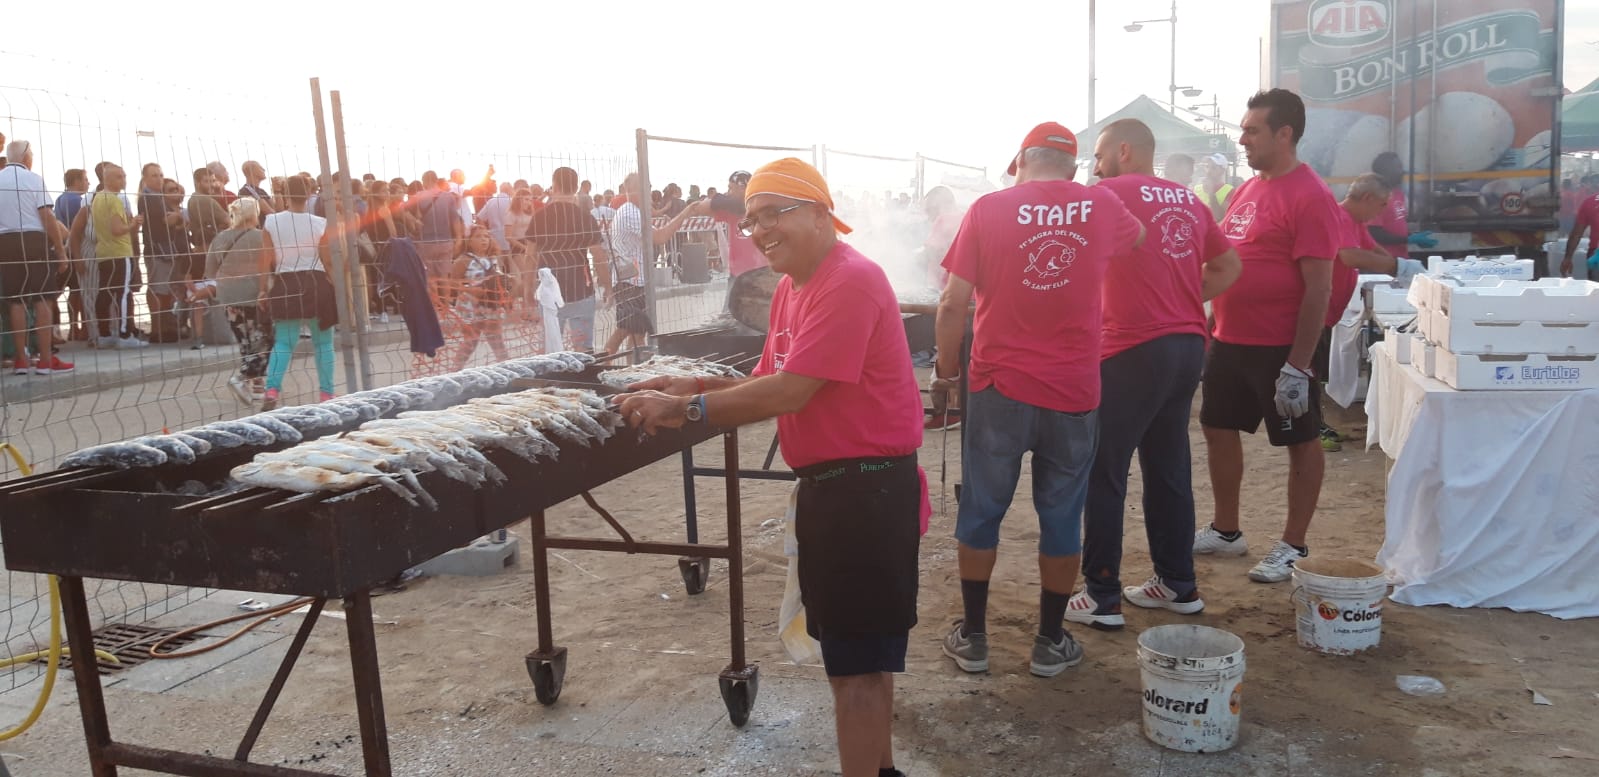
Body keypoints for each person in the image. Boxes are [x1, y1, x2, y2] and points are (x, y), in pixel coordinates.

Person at [615, 157, 923, 777]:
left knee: (858, 669)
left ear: (819, 212)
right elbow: (769, 377)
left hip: (865, 497)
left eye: (772, 215)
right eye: (751, 220)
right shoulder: (790, 286)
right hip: (835, 495)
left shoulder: (850, 280)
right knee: (857, 659)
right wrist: (694, 379)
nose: (758, 231)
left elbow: (793, 391)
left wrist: (687, 409)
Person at [934, 122, 1144, 677]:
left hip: (998, 387)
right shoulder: (1100, 205)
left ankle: (974, 637)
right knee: (1061, 515)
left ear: (1022, 162)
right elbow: (1138, 240)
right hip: (1074, 389)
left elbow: (953, 305)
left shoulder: (987, 209)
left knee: (982, 509)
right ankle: (1050, 642)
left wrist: (945, 372)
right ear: (1072, 167)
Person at [1060, 120, 1242, 629]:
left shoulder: (1105, 196)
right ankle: (1177, 583)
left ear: (1124, 151)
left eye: (1098, 155)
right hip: (1186, 347)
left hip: (1130, 349)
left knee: (1105, 470)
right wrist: (1183, 300)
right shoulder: (1187, 200)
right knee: (1168, 466)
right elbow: (1229, 268)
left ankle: (1101, 593)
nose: (1094, 166)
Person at [1195, 89, 1343, 583]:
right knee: (1217, 427)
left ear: (1284, 134)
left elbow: (1319, 287)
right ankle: (1227, 530)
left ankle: (1294, 544)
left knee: (1301, 440)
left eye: (1251, 130)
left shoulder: (1311, 196)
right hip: (1231, 338)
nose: (1242, 139)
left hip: (1281, 346)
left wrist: (1298, 365)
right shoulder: (1247, 189)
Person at [603, 173, 708, 355]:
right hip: (630, 283)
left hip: (633, 280)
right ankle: (607, 363)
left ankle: (633, 368)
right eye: (648, 187)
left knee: (636, 333)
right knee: (625, 330)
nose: (650, 192)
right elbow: (660, 237)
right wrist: (686, 212)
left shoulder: (631, 211)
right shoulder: (630, 212)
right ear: (636, 189)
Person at [258, 175, 339, 410]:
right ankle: (327, 393)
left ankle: (272, 390)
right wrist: (336, 287)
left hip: (286, 280)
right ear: (309, 194)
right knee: (323, 342)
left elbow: (265, 259)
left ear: (284, 194)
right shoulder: (319, 223)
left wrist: (263, 289)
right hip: (315, 279)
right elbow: (327, 260)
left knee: (284, 341)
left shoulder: (271, 222)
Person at [0, 140, 73, 374]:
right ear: (25, 157)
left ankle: (21, 359)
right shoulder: (33, 179)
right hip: (33, 240)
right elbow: (47, 216)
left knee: (16, 300)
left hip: (5, 242)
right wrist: (60, 251)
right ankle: (44, 359)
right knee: (43, 298)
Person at [526, 168, 611, 351]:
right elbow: (599, 257)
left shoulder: (540, 217)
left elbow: (530, 257)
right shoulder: (585, 218)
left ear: (554, 186)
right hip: (581, 289)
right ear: (575, 187)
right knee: (584, 349)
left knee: (550, 349)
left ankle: (554, 379)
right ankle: (584, 377)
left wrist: (527, 292)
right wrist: (608, 287)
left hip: (550, 291)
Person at [204, 197, 270, 404]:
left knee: (245, 341)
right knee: (264, 340)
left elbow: (210, 270)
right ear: (254, 214)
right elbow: (268, 266)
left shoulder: (220, 238)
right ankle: (243, 378)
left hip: (228, 295)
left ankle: (254, 386)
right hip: (253, 294)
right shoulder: (261, 237)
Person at [90, 163, 146, 347]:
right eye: (119, 177)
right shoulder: (114, 200)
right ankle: (125, 335)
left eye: (124, 176)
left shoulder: (98, 198)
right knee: (123, 293)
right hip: (120, 252)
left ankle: (104, 334)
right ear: (108, 179)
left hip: (104, 253)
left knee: (105, 293)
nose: (124, 180)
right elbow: (117, 229)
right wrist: (133, 224)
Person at [449, 225, 513, 368]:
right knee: (471, 341)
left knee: (497, 340)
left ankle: (507, 368)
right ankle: (455, 370)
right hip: (470, 306)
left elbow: (498, 280)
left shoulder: (494, 259)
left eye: (486, 236)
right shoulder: (463, 260)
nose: (483, 240)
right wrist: (470, 290)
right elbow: (453, 283)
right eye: (478, 237)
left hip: (491, 305)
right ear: (469, 241)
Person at [1365, 151, 1436, 260]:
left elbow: (1396, 227)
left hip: (1400, 260)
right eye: (1398, 167)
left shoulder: (1398, 194)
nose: (1402, 171)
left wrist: (1413, 236)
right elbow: (1374, 233)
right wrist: (1408, 240)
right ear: (1385, 171)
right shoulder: (1376, 196)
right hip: (1382, 262)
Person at [54, 168, 91, 342]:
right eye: (85, 179)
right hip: (77, 250)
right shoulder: (77, 200)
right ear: (76, 181)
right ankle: (82, 328)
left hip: (63, 249)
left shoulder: (60, 199)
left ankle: (72, 327)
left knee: (66, 290)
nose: (88, 183)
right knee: (79, 290)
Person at [706, 171, 763, 277]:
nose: (728, 193)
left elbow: (717, 202)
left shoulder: (758, 207)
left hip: (756, 273)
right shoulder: (735, 208)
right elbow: (708, 205)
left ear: (742, 188)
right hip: (739, 273)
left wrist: (718, 198)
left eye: (731, 188)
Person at [1563, 181, 1599, 278]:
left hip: (1595, 255)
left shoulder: (1590, 202)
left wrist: (1568, 257)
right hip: (1596, 256)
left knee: (1595, 291)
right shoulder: (1589, 203)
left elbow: (1576, 234)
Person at [1195, 153, 1234, 222]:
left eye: (1213, 167)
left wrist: (1211, 193)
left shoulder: (1230, 191)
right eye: (1207, 166)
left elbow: (1218, 217)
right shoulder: (1196, 188)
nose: (1209, 171)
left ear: (1222, 170)